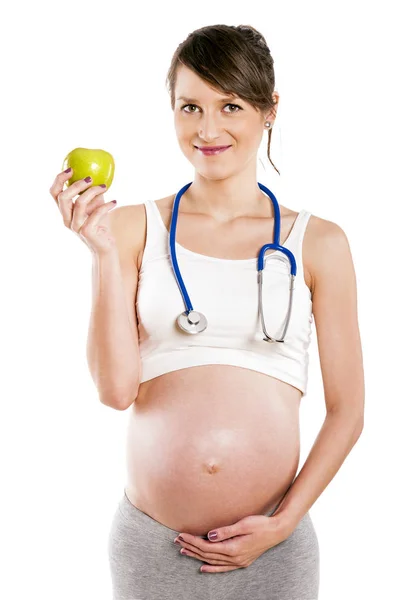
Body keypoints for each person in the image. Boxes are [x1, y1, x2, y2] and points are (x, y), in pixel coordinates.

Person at [50, 23, 365, 600]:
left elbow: (348, 412)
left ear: (270, 110)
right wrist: (100, 255)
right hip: (152, 541)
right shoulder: (129, 229)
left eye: (231, 105)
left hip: (272, 544)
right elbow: (117, 391)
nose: (208, 129)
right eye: (190, 106)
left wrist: (282, 523)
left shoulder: (319, 243)